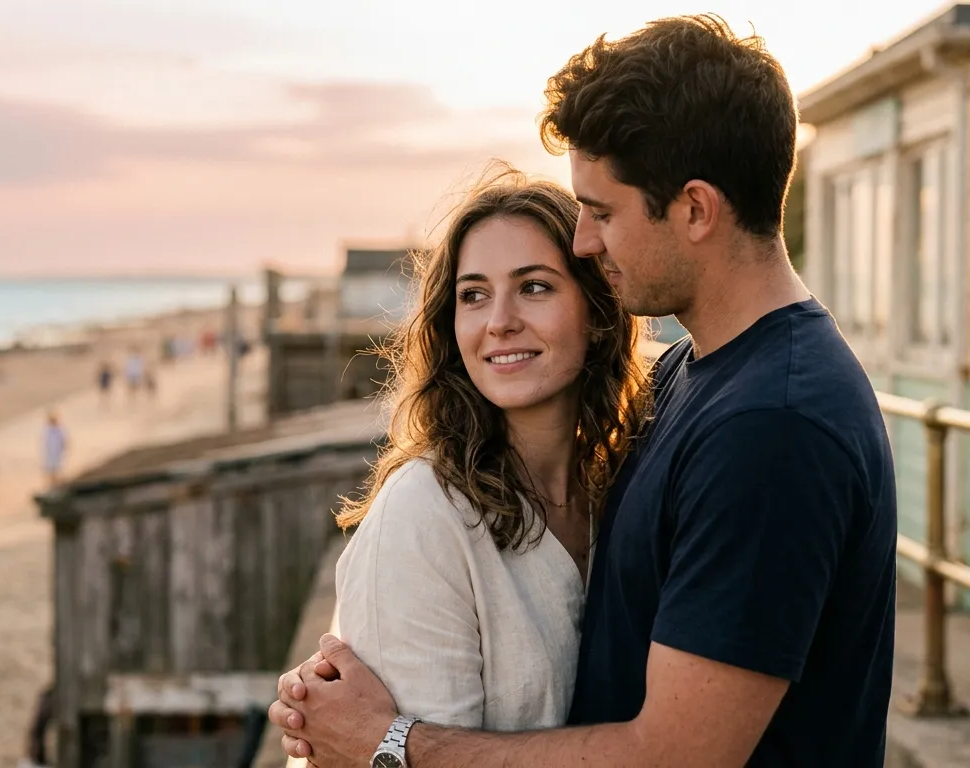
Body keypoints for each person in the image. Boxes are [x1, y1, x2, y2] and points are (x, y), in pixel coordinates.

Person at [271, 14, 898, 768]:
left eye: (602, 212)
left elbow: (674, 758)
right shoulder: (685, 378)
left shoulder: (773, 424)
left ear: (696, 209)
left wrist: (390, 743)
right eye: (473, 295)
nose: (585, 240)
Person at [304, 164, 649, 746]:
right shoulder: (423, 515)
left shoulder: (618, 484)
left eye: (534, 287)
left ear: (597, 312)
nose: (499, 322)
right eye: (474, 295)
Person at [42, 410, 68, 488]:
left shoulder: (59, 429)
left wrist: (64, 447)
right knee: (51, 468)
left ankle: (55, 482)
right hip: (51, 452)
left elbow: (63, 439)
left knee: (56, 467)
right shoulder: (48, 430)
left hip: (57, 451)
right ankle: (52, 483)